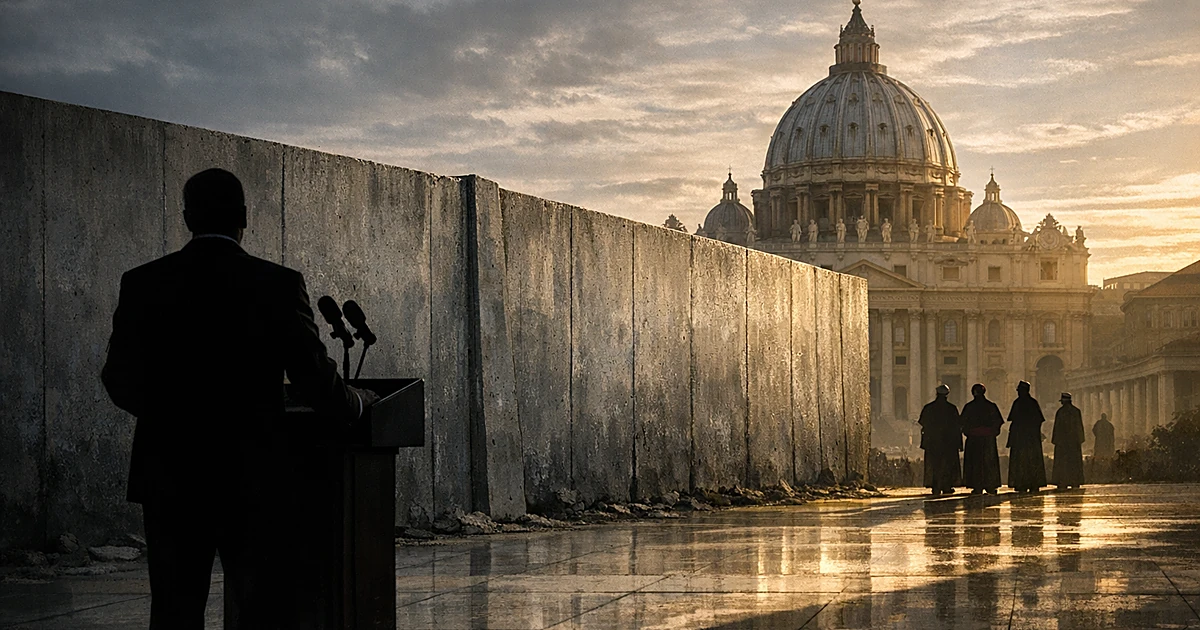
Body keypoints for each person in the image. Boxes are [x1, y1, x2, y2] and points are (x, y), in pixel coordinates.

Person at [101, 168, 376, 628]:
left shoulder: (144, 283)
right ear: (245, 217)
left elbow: (118, 379)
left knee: (173, 608)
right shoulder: (277, 284)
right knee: (259, 608)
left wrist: (174, 417)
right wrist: (360, 403)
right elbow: (314, 381)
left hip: (169, 473)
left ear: (187, 217)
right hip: (252, 475)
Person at [960, 383, 1003, 494]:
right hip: (988, 439)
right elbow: (998, 422)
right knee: (989, 463)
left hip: (974, 439)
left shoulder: (969, 407)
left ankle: (977, 486)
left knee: (975, 464)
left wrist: (969, 432)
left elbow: (962, 423)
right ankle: (990, 485)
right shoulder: (991, 406)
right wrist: (992, 433)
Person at [919, 384, 962, 495]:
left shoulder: (929, 408)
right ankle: (947, 485)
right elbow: (958, 425)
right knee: (948, 464)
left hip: (933, 441)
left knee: (934, 464)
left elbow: (922, 422)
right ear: (947, 395)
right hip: (948, 442)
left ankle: (935, 486)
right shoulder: (951, 408)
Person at [1006, 381, 1047, 492]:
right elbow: (1039, 420)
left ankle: (1021, 483)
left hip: (1020, 438)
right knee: (1033, 460)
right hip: (1032, 438)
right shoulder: (1033, 403)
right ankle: (1034, 483)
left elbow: (1012, 419)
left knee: (1020, 461)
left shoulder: (1018, 403)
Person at [1052, 393, 1086, 488]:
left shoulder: (1060, 412)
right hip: (1074, 442)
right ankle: (1075, 480)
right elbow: (1080, 427)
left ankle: (1063, 481)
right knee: (1074, 463)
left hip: (1062, 443)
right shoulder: (1076, 411)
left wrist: (1055, 441)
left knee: (1062, 463)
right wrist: (1080, 439)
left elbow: (1057, 428)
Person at [1092, 412, 1115, 482]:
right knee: (1106, 455)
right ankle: (1106, 469)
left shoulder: (1098, 424)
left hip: (1099, 442)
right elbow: (1112, 434)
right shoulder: (1109, 424)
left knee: (1099, 454)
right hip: (1106, 442)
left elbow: (1094, 430)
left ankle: (1098, 469)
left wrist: (1098, 436)